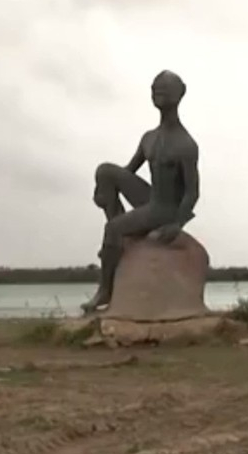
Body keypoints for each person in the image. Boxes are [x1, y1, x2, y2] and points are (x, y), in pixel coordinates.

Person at [81, 70, 199, 314]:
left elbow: (192, 192)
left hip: (165, 209)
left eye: (165, 88)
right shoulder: (149, 138)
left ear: (181, 93)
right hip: (150, 199)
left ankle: (106, 288)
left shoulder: (185, 144)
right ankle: (121, 239)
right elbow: (128, 172)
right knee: (105, 170)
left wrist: (177, 224)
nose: (159, 92)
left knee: (112, 229)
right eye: (155, 87)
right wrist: (102, 188)